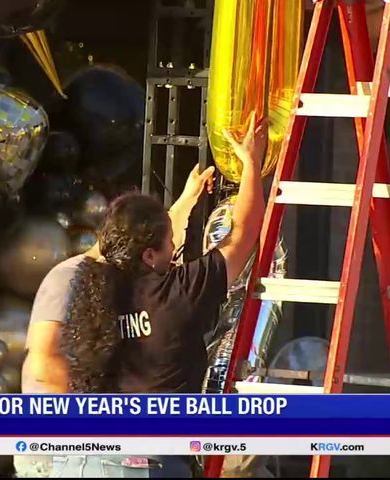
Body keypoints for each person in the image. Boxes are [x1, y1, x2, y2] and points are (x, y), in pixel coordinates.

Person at [53, 115, 267, 478]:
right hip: (153, 463)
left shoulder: (91, 292)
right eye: (169, 242)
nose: (174, 248)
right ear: (149, 256)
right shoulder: (177, 292)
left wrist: (183, 203)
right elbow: (243, 234)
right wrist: (251, 163)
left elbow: (122, 244)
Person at [14, 163, 215, 478]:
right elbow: (43, 363)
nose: (171, 252)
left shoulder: (111, 279)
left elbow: (152, 235)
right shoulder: (70, 278)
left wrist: (188, 198)